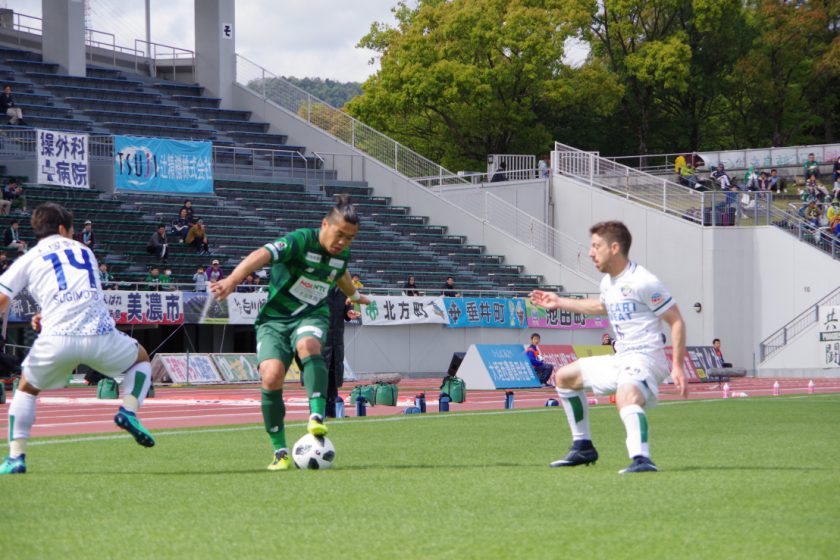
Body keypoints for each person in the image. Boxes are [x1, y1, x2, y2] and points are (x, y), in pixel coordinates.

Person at [209, 195, 371, 471]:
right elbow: (262, 254)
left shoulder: (340, 254)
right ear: (324, 225)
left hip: (312, 314)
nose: (343, 242)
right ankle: (280, 452)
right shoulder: (300, 240)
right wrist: (233, 279)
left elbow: (341, 273)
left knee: (308, 345)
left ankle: (317, 417)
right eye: (340, 234)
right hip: (274, 320)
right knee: (271, 377)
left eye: (350, 238)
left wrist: (355, 295)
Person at [0, 202, 155, 475]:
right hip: (100, 335)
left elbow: (3, 298)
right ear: (62, 229)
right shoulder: (85, 251)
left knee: (26, 389)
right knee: (141, 359)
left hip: (57, 338)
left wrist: (46, 314)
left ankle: (16, 457)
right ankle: (129, 410)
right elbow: (78, 292)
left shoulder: (29, 258)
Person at [529, 220, 687, 474]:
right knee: (565, 377)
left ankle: (642, 458)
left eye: (596, 246)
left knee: (626, 396)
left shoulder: (643, 281)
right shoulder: (608, 282)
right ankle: (583, 446)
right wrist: (559, 302)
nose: (590, 252)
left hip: (646, 359)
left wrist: (677, 366)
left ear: (614, 248)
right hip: (621, 357)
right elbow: (601, 306)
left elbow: (676, 320)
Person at [322, 286, 361, 417]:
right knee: (319, 377)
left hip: (336, 339)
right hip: (320, 338)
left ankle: (333, 412)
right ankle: (318, 413)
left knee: (334, 376)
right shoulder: (317, 284)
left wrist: (349, 311)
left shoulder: (343, 288)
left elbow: (347, 306)